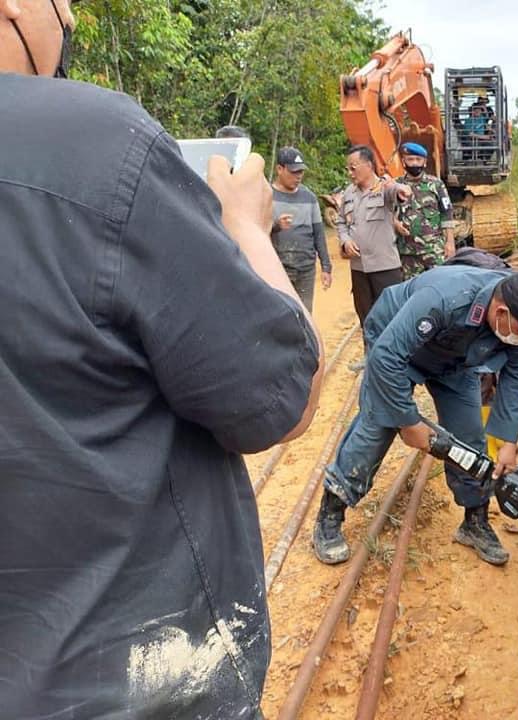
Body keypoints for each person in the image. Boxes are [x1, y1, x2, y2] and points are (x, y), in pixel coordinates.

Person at [0, 3, 324, 717]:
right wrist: (244, 226)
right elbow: (283, 400)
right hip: (142, 683)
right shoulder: (100, 145)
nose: (74, 16)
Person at [312, 268, 518, 567]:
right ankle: (330, 514)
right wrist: (407, 421)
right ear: (501, 311)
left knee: (468, 437)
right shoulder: (445, 298)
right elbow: (387, 357)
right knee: (376, 429)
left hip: (454, 361)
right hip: (395, 346)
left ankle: (474, 522)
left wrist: (508, 440)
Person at [337, 144, 411, 328]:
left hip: (385, 268)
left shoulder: (384, 187)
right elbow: (341, 223)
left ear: (369, 165)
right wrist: (345, 241)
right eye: (348, 169)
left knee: (391, 319)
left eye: (353, 168)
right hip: (359, 269)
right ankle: (370, 355)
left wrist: (402, 189)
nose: (350, 173)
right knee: (366, 319)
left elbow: (398, 192)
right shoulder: (348, 193)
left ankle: (392, 357)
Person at [271, 146, 333, 313]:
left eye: (301, 172)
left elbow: (319, 234)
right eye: (293, 172)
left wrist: (326, 267)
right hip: (278, 269)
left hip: (306, 269)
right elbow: (256, 232)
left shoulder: (309, 198)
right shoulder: (267, 196)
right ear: (279, 169)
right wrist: (276, 226)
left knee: (305, 315)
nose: (298, 176)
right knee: (281, 315)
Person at [394, 141, 456, 279]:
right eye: (410, 159)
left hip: (434, 250)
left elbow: (447, 212)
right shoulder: (396, 186)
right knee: (411, 292)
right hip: (407, 253)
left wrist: (450, 243)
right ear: (403, 162)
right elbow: (387, 212)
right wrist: (395, 223)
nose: (415, 163)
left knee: (439, 286)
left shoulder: (436, 184)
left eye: (418, 159)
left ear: (425, 162)